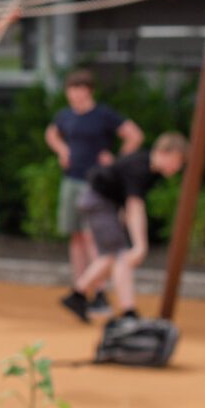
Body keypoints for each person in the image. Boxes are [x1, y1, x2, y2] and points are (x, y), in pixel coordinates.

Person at [60, 133, 188, 322]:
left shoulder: (150, 169)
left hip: (104, 203)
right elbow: (134, 206)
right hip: (98, 202)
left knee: (112, 255)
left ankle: (77, 295)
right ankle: (128, 312)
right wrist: (140, 245)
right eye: (177, 161)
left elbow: (126, 201)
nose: (177, 167)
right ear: (163, 152)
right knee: (121, 255)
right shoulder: (141, 168)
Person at [45, 69, 144, 312]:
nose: (75, 95)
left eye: (80, 90)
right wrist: (61, 150)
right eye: (71, 90)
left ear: (89, 91)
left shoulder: (103, 115)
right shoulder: (65, 116)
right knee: (76, 237)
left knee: (93, 240)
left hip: (95, 185)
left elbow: (134, 135)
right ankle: (81, 288)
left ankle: (99, 291)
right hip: (71, 181)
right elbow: (51, 133)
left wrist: (117, 161)